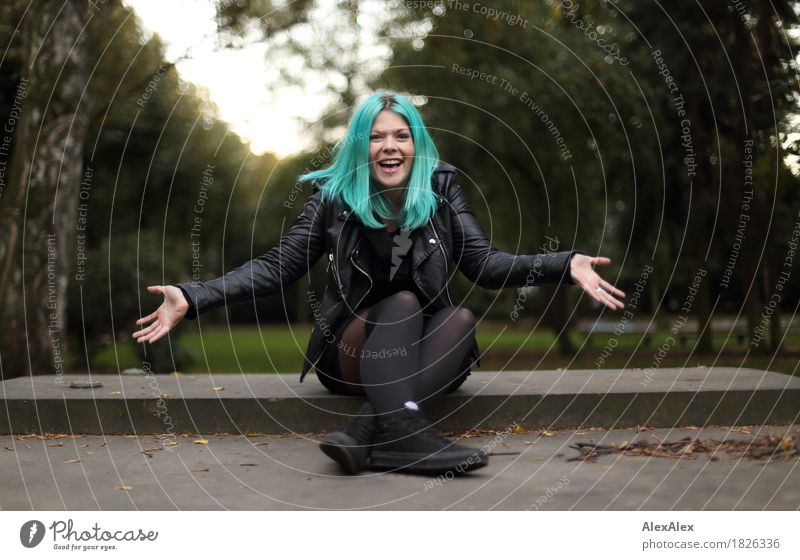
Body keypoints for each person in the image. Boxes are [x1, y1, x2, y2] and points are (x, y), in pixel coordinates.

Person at [133, 91, 625, 477]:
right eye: (376, 136)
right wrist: (193, 296)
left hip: (423, 357)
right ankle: (408, 439)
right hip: (349, 351)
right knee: (405, 301)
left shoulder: (442, 187)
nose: (390, 145)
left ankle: (373, 428)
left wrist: (566, 263)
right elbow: (279, 266)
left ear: (416, 145)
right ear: (360, 148)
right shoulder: (332, 198)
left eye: (402, 135)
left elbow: (486, 265)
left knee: (460, 318)